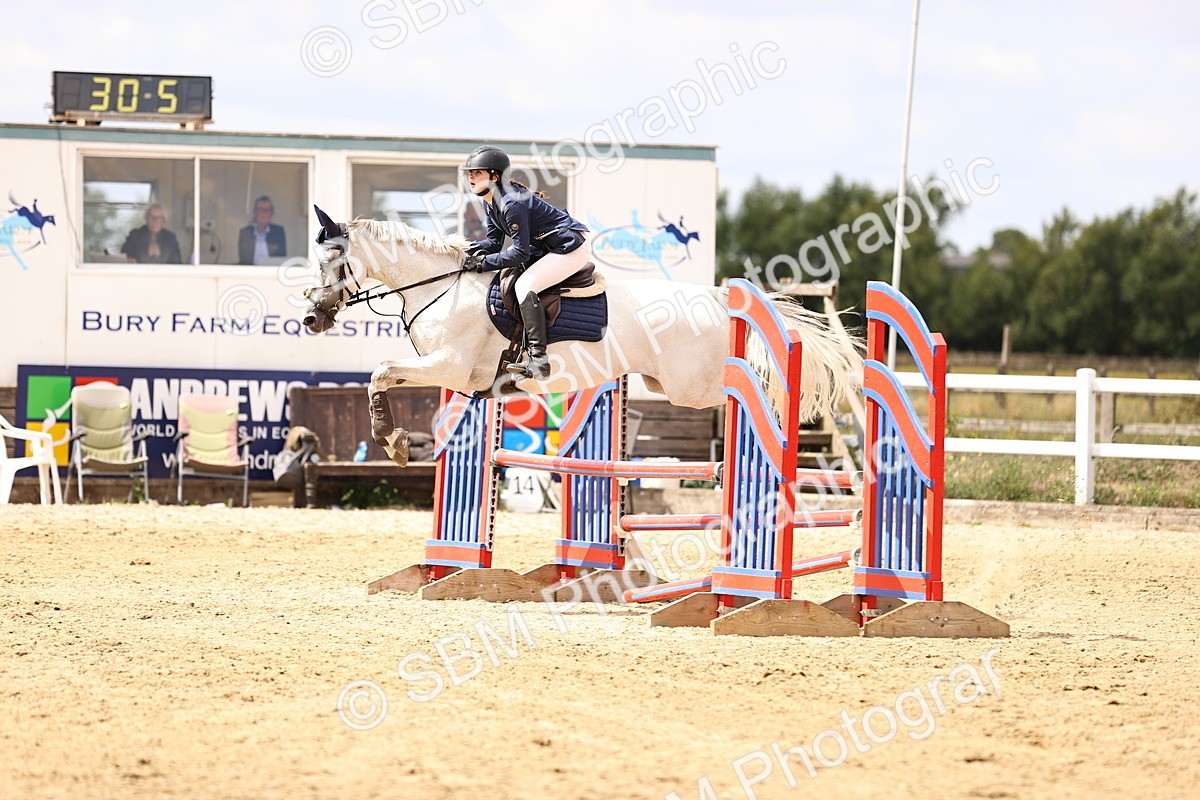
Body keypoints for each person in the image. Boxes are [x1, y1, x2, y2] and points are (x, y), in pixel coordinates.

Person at [460, 145, 589, 379]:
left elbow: (519, 253)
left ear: (494, 176)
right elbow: (493, 242)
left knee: (524, 286)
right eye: (470, 173)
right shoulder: (489, 201)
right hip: (545, 246)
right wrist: (464, 253)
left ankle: (539, 360)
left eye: (477, 172)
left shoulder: (511, 203)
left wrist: (482, 264)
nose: (471, 177)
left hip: (569, 247)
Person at [237, 195, 287, 265]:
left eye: (267, 210)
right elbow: (245, 259)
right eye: (261, 209)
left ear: (271, 214)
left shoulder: (278, 232)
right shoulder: (245, 233)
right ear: (255, 212)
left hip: (271, 273)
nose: (264, 213)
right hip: (250, 273)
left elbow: (280, 257)